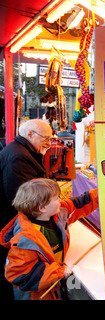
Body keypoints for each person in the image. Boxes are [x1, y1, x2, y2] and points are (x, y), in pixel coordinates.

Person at [0, 178, 99, 300]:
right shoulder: (25, 241)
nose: (61, 200)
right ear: (42, 208)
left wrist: (101, 194)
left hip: (55, 282)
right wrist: (58, 272)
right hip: (38, 294)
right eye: (57, 198)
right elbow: (19, 275)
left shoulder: (56, 213)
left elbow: (80, 203)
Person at [0, 118, 52, 300]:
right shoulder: (18, 156)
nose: (49, 143)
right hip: (16, 224)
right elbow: (25, 198)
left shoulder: (23, 152)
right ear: (30, 134)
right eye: (46, 138)